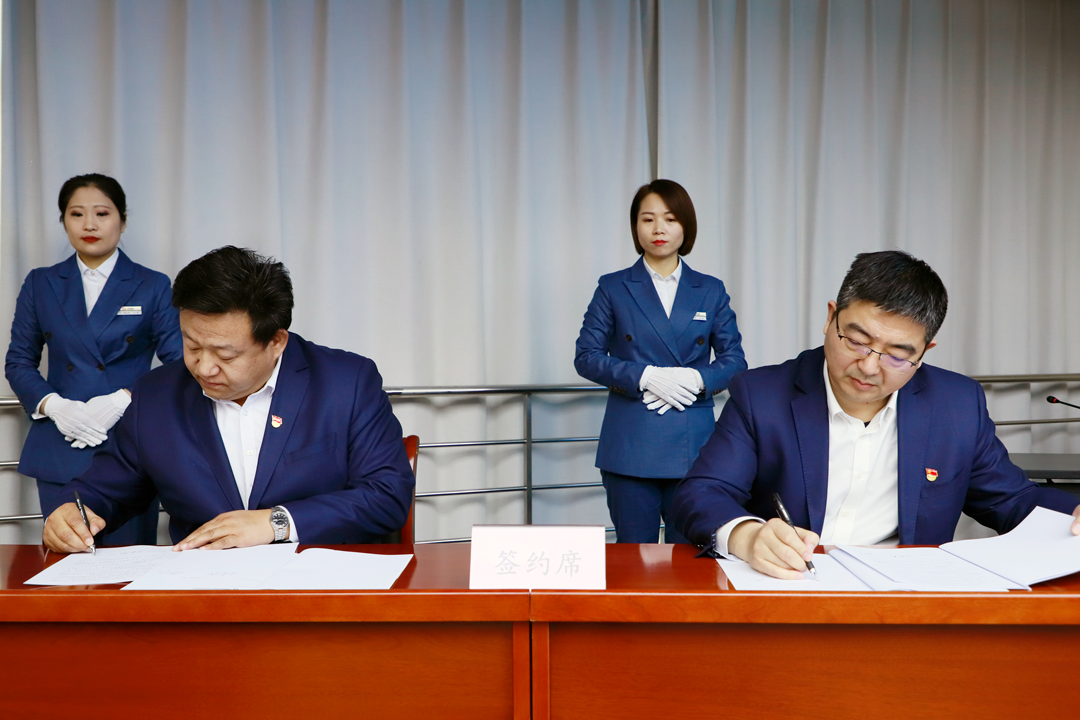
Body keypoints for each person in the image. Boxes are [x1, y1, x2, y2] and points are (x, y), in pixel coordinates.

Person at [670, 250, 1080, 578]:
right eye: (856, 340)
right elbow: (701, 493)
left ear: (925, 352)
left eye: (898, 355)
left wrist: (1074, 516)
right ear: (830, 318)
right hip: (791, 589)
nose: (869, 366)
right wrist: (747, 536)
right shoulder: (763, 395)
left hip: (904, 609)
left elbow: (1014, 501)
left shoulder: (956, 406)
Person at [42, 246, 414, 553]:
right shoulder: (156, 396)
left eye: (226, 354)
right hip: (205, 594)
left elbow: (386, 496)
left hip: (322, 590)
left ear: (276, 342)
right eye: (192, 345)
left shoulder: (346, 383)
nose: (203, 367)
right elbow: (103, 491)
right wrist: (72, 513)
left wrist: (275, 522)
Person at [5, 173, 181, 546]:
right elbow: (18, 361)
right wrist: (54, 406)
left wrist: (125, 400)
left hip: (128, 442)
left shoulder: (152, 284)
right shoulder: (41, 283)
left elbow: (181, 362)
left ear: (123, 220)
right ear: (63, 221)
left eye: (101, 213)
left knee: (129, 565)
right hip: (60, 443)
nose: (89, 224)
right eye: (76, 214)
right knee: (66, 561)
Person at [575, 179, 746, 543]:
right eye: (648, 219)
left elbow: (735, 361)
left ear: (686, 226)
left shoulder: (710, 289)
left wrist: (694, 380)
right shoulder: (613, 287)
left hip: (693, 443)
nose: (658, 229)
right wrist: (646, 376)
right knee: (633, 557)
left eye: (670, 218)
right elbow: (586, 357)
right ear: (635, 227)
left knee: (690, 557)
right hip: (631, 444)